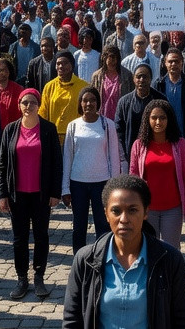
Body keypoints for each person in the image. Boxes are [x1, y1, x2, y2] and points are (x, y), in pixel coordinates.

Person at [61, 174, 185, 328]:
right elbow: (72, 320)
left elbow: (183, 320)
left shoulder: (170, 260)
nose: (124, 219)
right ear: (106, 214)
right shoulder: (85, 260)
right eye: (116, 211)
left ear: (145, 212)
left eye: (132, 210)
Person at [0, 89, 62, 300]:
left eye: (33, 102)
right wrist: (2, 194)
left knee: (41, 236)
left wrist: (55, 192)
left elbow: (56, 163)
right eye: (24, 102)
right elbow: (2, 163)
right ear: (19, 105)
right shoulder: (10, 130)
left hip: (41, 194)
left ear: (39, 105)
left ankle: (39, 276)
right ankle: (22, 278)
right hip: (17, 195)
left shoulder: (48, 129)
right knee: (19, 238)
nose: (28, 106)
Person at [61, 85, 123, 250]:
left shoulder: (107, 125)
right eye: (85, 100)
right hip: (78, 183)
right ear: (80, 103)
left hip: (102, 183)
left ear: (98, 103)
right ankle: (78, 259)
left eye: (93, 100)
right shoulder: (73, 126)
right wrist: (65, 188)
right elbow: (68, 157)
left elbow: (114, 157)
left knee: (103, 225)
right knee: (79, 226)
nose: (89, 104)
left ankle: (102, 257)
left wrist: (114, 186)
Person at [129, 98, 185, 247]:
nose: (158, 122)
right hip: (147, 209)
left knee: (172, 250)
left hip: (173, 208)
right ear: (147, 119)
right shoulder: (139, 145)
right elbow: (133, 178)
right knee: (148, 249)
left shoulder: (180, 144)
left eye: (162, 118)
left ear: (169, 119)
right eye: (154, 118)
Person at [114, 63, 165, 163]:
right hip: (130, 154)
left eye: (145, 77)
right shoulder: (124, 102)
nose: (141, 80)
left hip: (156, 152)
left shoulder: (160, 100)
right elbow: (118, 130)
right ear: (133, 79)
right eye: (138, 77)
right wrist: (123, 155)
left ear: (151, 79)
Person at [39, 51, 87, 142]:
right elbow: (43, 113)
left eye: (65, 63)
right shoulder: (49, 86)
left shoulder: (83, 87)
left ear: (72, 65)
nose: (61, 66)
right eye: (58, 64)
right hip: (53, 137)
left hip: (77, 136)